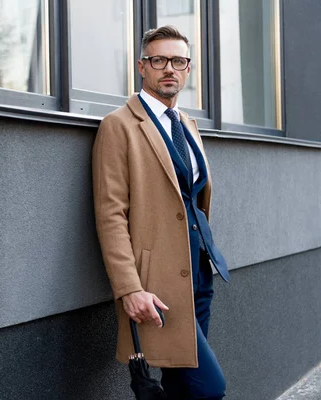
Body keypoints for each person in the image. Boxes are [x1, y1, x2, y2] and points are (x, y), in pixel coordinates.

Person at [92, 25, 230, 400]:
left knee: (182, 385)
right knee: (208, 388)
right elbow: (110, 215)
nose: (169, 68)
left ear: (188, 69)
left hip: (199, 271)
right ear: (142, 66)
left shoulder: (187, 124)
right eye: (159, 60)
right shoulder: (119, 126)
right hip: (159, 284)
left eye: (179, 61)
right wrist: (130, 289)